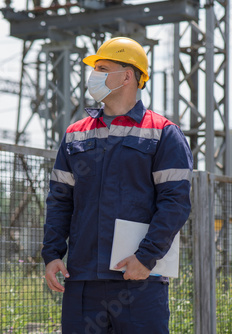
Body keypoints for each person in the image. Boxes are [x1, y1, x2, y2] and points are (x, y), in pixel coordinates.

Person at [42, 36, 193, 333]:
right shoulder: (75, 135)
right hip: (83, 282)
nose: (93, 75)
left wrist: (146, 258)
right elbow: (60, 199)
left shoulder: (163, 133)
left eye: (102, 67)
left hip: (138, 281)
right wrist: (52, 254)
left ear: (127, 75)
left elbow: (175, 204)